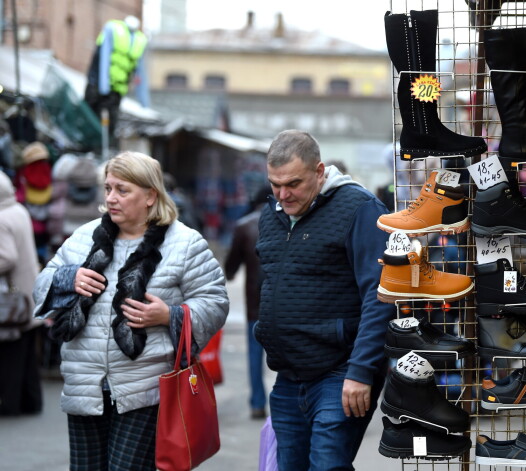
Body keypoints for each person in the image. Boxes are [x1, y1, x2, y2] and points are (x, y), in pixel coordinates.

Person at [32, 151, 229, 470]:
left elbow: (215, 302)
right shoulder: (85, 237)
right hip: (85, 386)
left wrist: (169, 315)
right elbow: (41, 285)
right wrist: (69, 277)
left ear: (151, 195)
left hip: (145, 388)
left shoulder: (185, 243)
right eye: (108, 188)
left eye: (123, 190)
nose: (111, 198)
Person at [255, 130, 395, 470]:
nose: (283, 194)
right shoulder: (271, 215)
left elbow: (380, 296)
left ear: (320, 171)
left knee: (327, 465)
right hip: (288, 377)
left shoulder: (359, 208)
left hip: (340, 373)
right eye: (275, 184)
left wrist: (361, 372)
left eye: (293, 183)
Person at [224, 184, 271, 420]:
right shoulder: (286, 222)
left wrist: (231, 273)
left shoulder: (244, 227)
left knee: (255, 356)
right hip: (283, 306)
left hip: (255, 305)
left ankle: (257, 403)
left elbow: (231, 266)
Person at [0, 170, 43, 415]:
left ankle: (11, 404)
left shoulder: (2, 218)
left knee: (10, 355)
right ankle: (31, 401)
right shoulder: (18, 210)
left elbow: (6, 257)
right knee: (26, 356)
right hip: (28, 293)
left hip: (11, 299)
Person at [84, 15, 149, 148]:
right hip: (97, 85)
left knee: (110, 123)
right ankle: (88, 145)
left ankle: (103, 148)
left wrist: (144, 101)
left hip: (117, 90)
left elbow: (140, 72)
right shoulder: (112, 29)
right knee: (90, 116)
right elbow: (104, 57)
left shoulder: (140, 40)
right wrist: (103, 87)